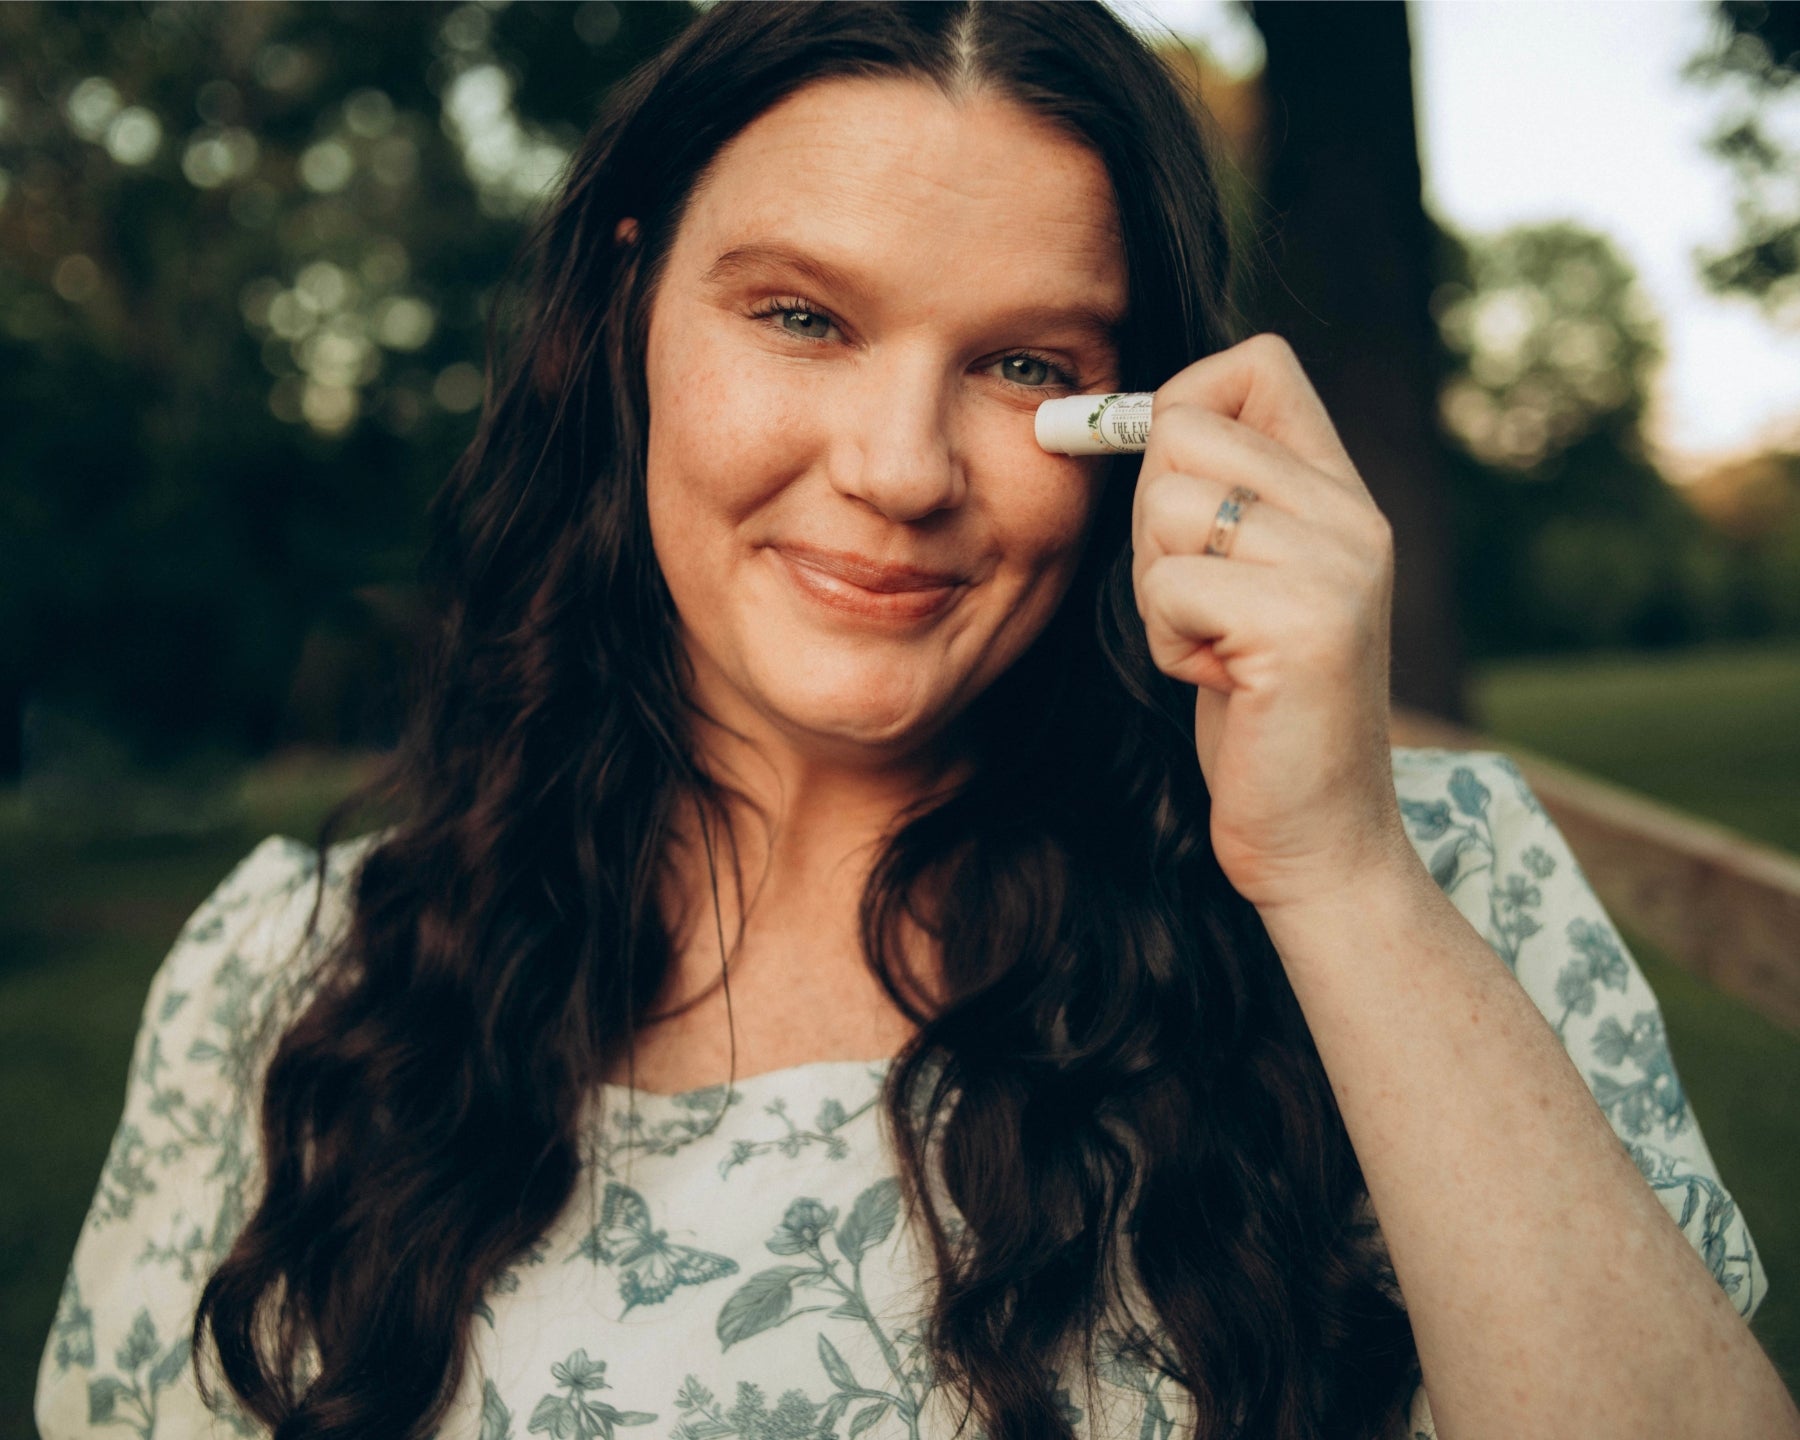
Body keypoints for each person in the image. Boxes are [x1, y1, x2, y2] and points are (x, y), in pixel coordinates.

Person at [35, 4, 1796, 1439]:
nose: (897, 472)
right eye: (802, 317)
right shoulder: (285, 983)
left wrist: (1329, 870)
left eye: (1027, 365)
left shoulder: (1423, 893)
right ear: (632, 305)